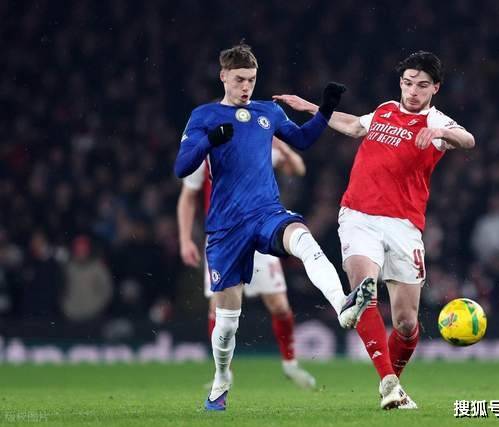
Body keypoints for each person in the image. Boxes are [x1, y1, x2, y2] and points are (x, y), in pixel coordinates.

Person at [174, 43, 375, 411]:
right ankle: (221, 379)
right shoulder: (204, 115)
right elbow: (181, 167)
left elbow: (302, 139)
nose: (246, 86)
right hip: (226, 227)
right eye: (239, 79)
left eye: (251, 79)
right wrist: (208, 140)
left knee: (304, 240)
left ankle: (342, 305)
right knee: (227, 323)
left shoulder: (268, 111)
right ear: (223, 76)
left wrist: (325, 109)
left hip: (267, 213)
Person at [274, 50, 475, 409]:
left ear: (435, 88)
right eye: (408, 83)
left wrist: (440, 132)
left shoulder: (436, 121)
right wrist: (313, 108)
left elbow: (468, 140)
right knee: (364, 291)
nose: (413, 91)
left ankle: (393, 383)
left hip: (405, 227)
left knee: (406, 324)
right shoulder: (384, 110)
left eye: (422, 85)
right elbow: (354, 126)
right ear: (401, 82)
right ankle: (388, 382)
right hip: (358, 216)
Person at [177, 137, 316, 389]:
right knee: (218, 309)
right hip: (223, 237)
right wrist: (185, 239)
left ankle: (290, 365)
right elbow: (188, 196)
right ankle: (223, 373)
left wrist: (282, 147)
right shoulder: (204, 154)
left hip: (259, 231)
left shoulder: (256, 146)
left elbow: (297, 169)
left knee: (279, 305)